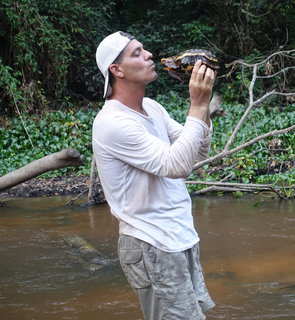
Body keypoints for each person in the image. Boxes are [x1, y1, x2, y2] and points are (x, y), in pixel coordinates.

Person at [92, 31, 216, 320]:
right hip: (152, 243)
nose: (148, 55)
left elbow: (199, 150)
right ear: (117, 70)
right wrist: (197, 105)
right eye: (136, 53)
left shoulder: (152, 108)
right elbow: (177, 166)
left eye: (144, 49)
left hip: (178, 236)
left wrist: (203, 104)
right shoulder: (113, 122)